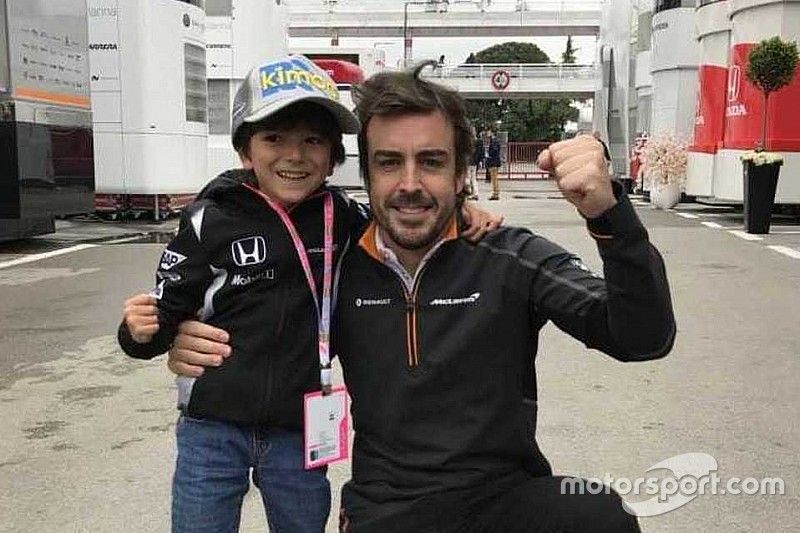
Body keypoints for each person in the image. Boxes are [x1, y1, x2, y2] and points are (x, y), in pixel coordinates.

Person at [147, 61, 676, 532]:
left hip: (505, 498)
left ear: (461, 172)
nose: (409, 184)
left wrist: (609, 216)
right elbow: (263, 310)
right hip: (388, 511)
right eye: (388, 162)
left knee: (598, 516)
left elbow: (642, 338)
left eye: (431, 161)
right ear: (366, 173)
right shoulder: (335, 263)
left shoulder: (509, 255)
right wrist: (190, 339)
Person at [117, 55, 500, 533]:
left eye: (312, 141)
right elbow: (166, 311)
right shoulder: (208, 219)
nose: (294, 156)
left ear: (335, 156)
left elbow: (405, 228)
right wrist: (142, 334)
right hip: (211, 429)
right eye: (273, 138)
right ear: (244, 151)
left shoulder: (347, 220)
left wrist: (460, 216)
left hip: (300, 430)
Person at [485, 130, 502, 200]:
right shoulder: (494, 141)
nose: (487, 135)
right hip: (494, 162)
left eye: (488, 133)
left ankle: (496, 193)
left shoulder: (494, 141)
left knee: (494, 178)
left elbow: (494, 151)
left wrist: (489, 154)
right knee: (494, 178)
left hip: (494, 162)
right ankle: (496, 192)